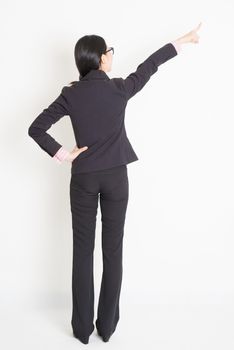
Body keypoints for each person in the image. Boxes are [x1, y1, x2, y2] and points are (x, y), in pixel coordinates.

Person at [28, 22, 202, 345]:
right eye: (108, 51)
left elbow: (35, 128)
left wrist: (65, 154)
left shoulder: (70, 94)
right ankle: (105, 327)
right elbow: (149, 67)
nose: (111, 55)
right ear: (100, 60)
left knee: (83, 253)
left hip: (83, 177)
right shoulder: (119, 88)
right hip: (116, 179)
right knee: (113, 252)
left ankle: (81, 331)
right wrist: (182, 41)